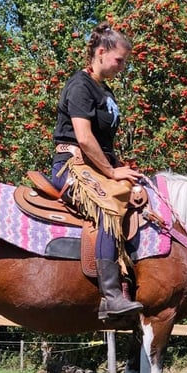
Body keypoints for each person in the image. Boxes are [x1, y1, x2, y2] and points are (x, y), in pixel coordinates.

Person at [51, 21, 143, 320]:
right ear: (101, 52)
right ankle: (111, 296)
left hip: (98, 166)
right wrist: (113, 173)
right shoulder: (80, 85)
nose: (122, 66)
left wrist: (120, 168)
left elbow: (103, 143)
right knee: (108, 206)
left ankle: (132, 280)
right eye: (120, 60)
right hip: (72, 165)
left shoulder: (105, 91)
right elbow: (84, 137)